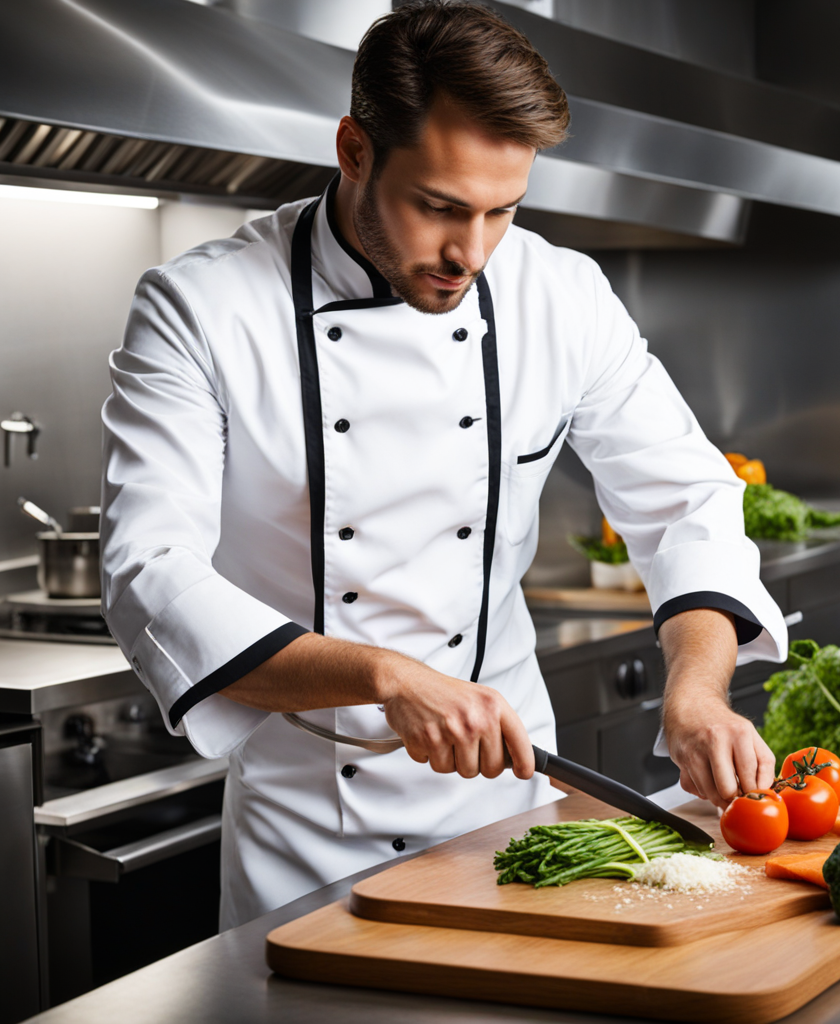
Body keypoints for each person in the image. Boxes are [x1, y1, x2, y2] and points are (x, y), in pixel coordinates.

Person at [101, 0, 786, 929]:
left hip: (512, 809)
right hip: (304, 832)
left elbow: (686, 502)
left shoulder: (561, 295)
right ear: (354, 150)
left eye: (503, 211)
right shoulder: (202, 309)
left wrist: (697, 692)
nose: (470, 253)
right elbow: (149, 573)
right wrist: (385, 677)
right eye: (439, 208)